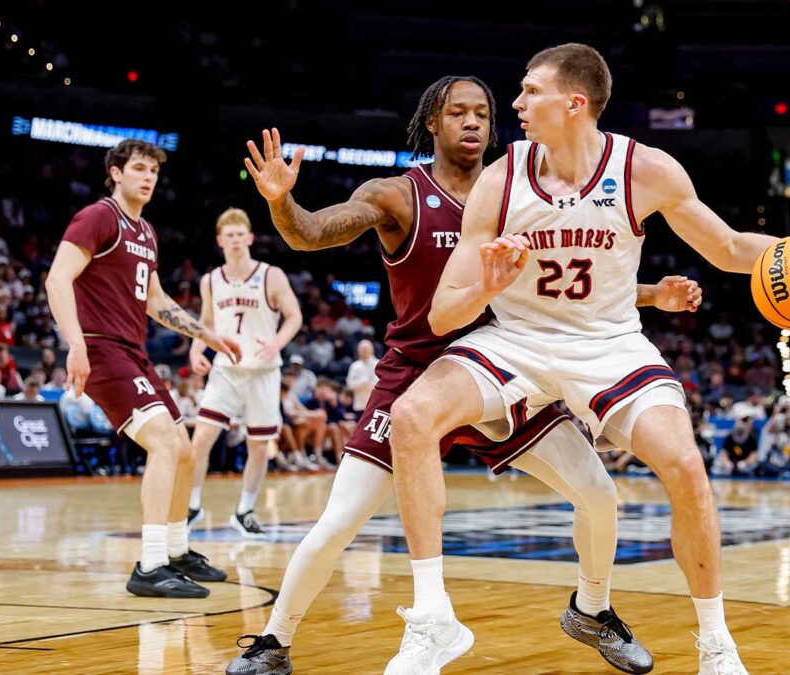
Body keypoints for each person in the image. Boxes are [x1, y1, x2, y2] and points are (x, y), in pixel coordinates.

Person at [384, 44, 790, 675]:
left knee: (686, 467)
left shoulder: (644, 169)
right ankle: (432, 619)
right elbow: (444, 316)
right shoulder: (500, 179)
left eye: (531, 91)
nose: (516, 103)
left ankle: (716, 646)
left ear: (574, 104)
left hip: (609, 344)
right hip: (518, 339)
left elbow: (728, 247)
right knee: (412, 417)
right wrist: (487, 287)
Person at [227, 76, 701, 675]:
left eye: (482, 113)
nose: (472, 122)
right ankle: (274, 642)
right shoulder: (398, 195)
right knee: (340, 519)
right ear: (433, 122)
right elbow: (312, 233)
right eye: (457, 113)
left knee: (599, 494)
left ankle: (593, 609)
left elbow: (561, 283)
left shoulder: (515, 191)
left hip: (505, 368)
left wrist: (653, 295)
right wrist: (281, 203)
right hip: (416, 376)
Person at [46, 139, 240, 599]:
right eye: (138, 168)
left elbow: (155, 300)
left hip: (133, 351)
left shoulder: (146, 232)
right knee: (164, 443)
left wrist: (206, 334)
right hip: (102, 348)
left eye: (153, 170)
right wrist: (76, 344)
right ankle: (150, 565)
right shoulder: (98, 217)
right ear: (116, 173)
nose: (148, 177)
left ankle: (175, 551)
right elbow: (57, 279)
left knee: (184, 449)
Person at [187, 208, 303, 538]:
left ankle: (245, 511)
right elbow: (206, 323)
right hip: (226, 371)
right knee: (201, 438)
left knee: (259, 445)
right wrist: (196, 351)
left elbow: (294, 316)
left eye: (241, 234)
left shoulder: (271, 275)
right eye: (230, 235)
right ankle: (192, 504)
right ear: (220, 241)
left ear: (250, 238)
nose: (236, 240)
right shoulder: (210, 281)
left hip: (263, 372)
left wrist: (277, 342)